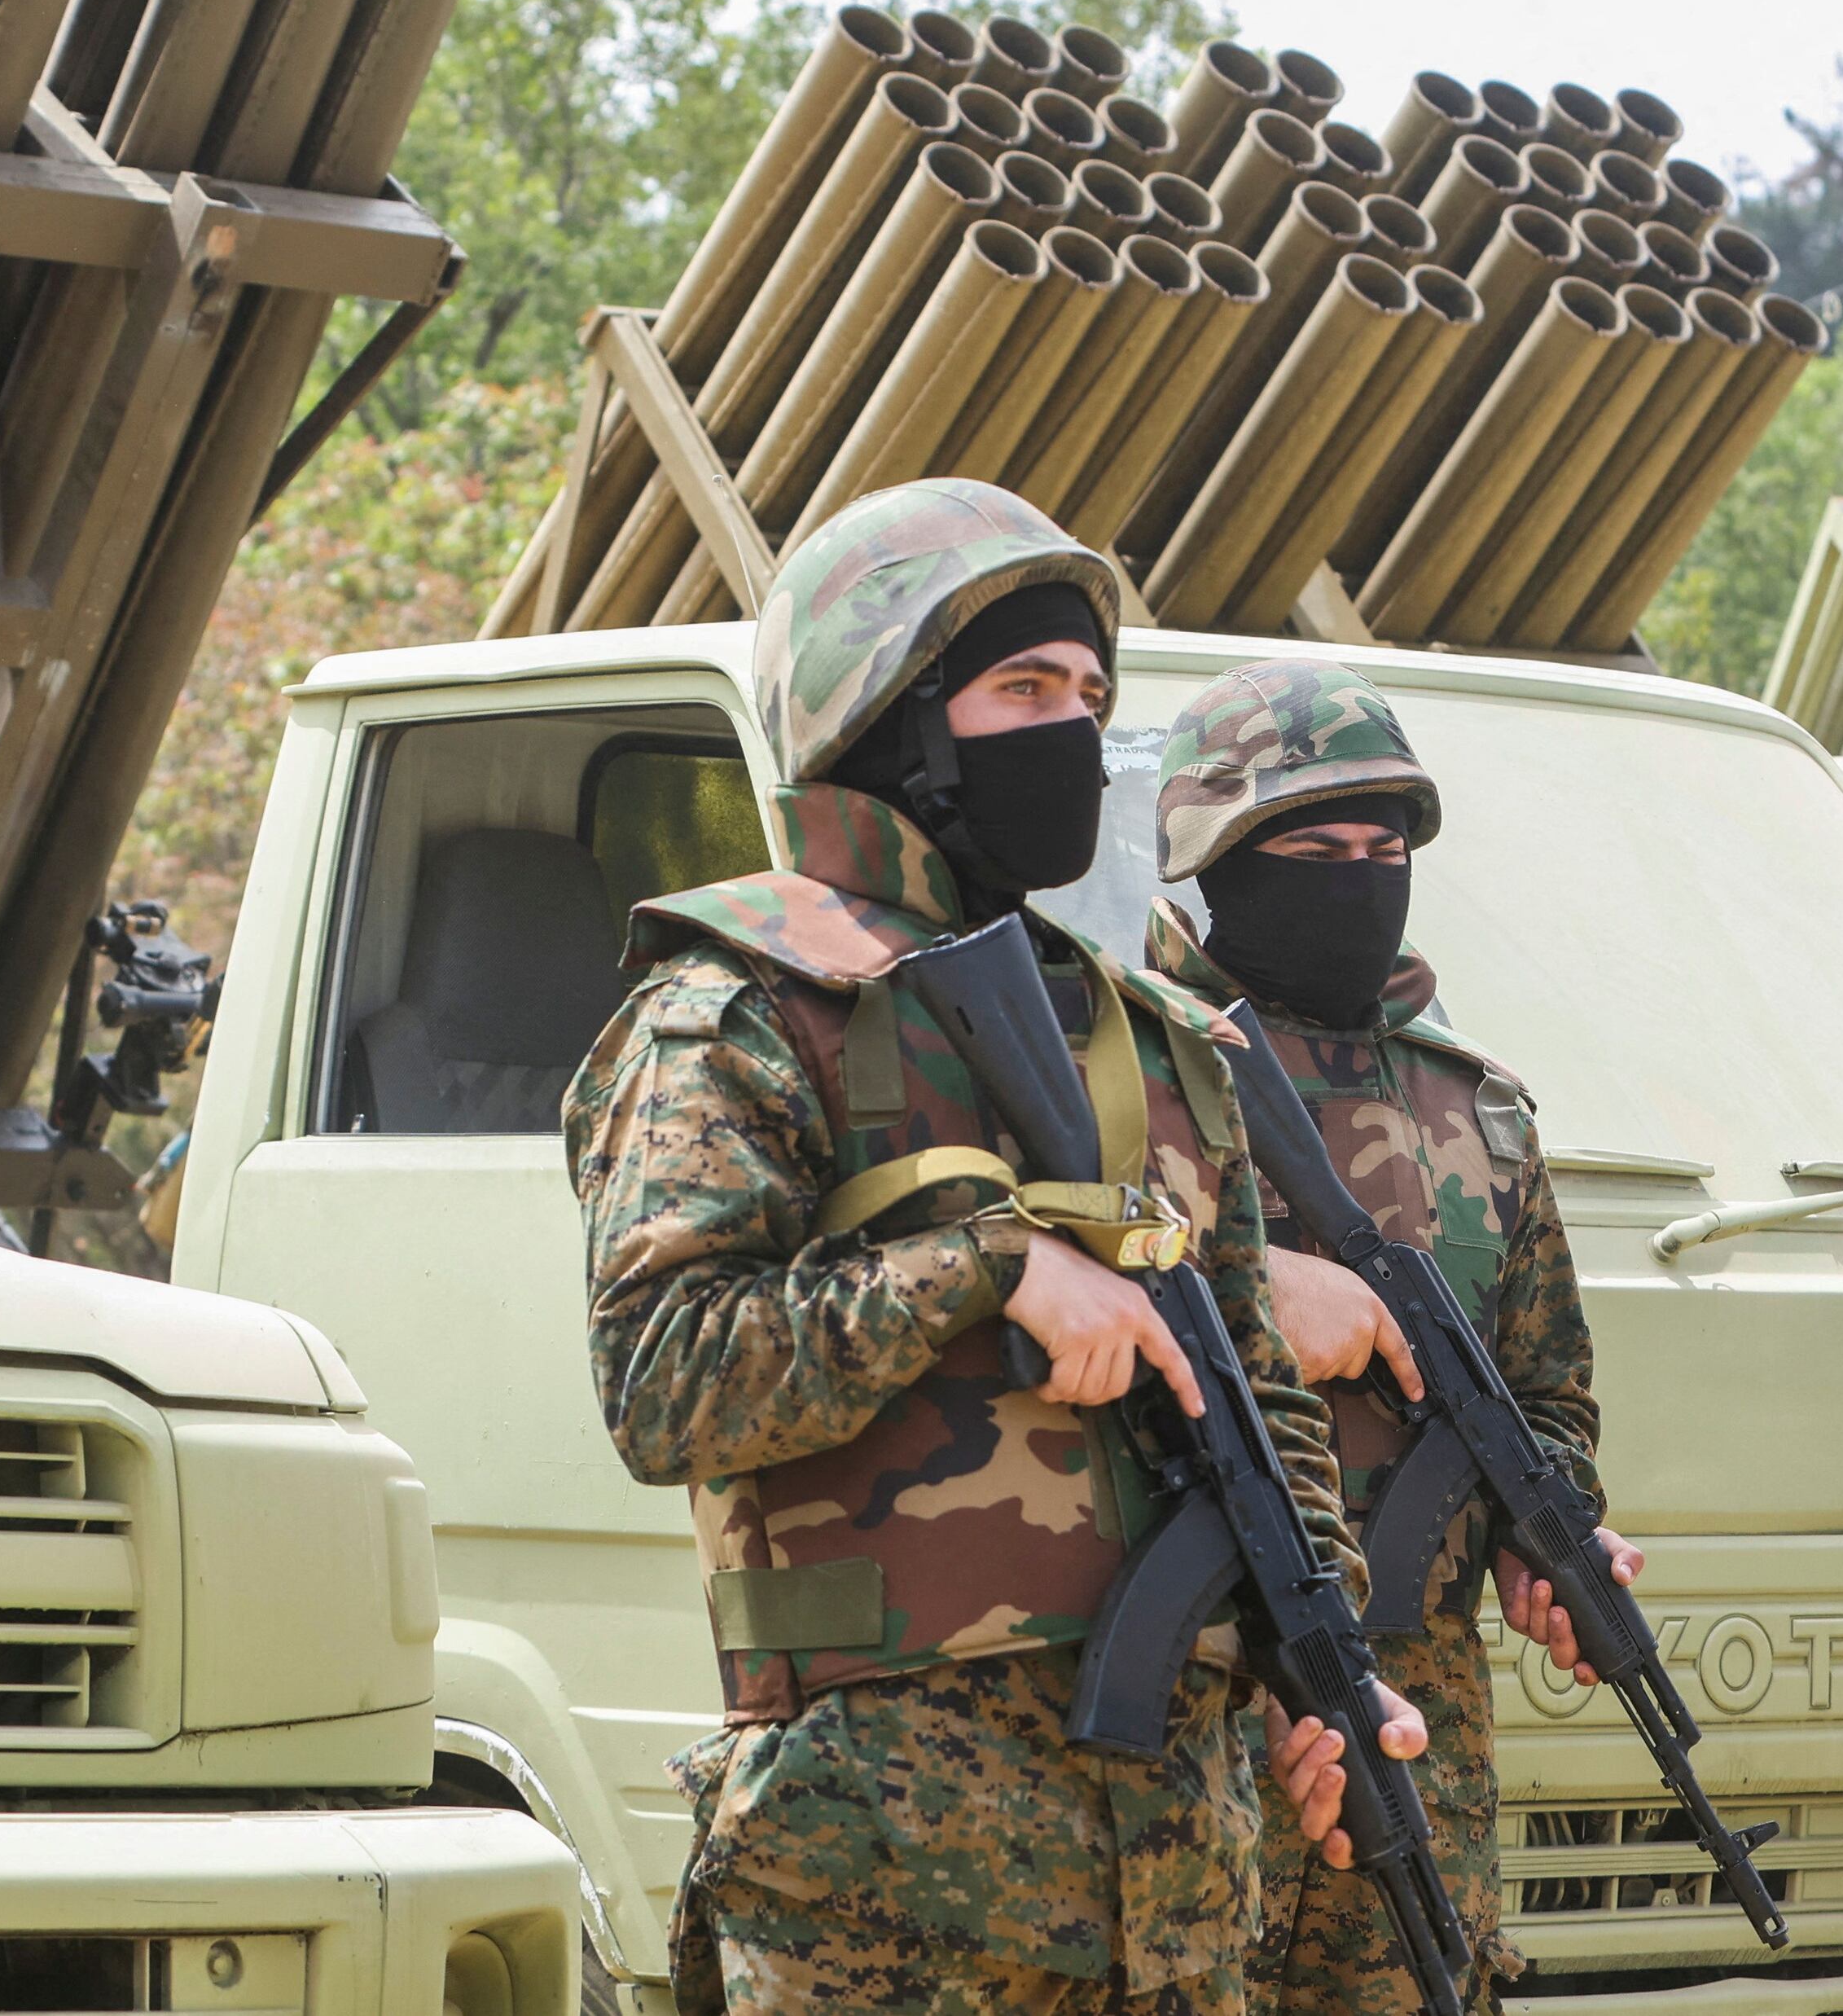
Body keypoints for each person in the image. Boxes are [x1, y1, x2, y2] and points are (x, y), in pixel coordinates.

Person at [568, 477, 1420, 2016]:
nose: (1074, 732)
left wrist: (1320, 1667)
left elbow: (1260, 1392)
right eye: (1025, 686)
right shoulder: (739, 1010)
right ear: (892, 715)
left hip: (1180, 1866)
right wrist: (985, 1265)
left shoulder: (1144, 1033)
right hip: (885, 1869)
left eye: (1091, 694)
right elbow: (662, 1380)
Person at [1142, 658, 1624, 2011]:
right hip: (1195, 1719)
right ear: (1218, 855)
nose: (1357, 875)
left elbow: (1550, 1395)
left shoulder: (1477, 1109)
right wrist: (1266, 1293)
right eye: (1312, 845)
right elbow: (1050, 1280)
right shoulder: (1115, 1062)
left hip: (1418, 1728)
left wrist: (1549, 1534)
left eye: (1384, 846)